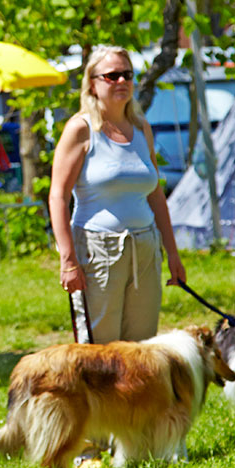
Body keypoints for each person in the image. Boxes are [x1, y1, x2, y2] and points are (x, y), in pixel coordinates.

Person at [50, 45, 186, 346]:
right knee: (99, 351)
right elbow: (58, 196)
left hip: (145, 248)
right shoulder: (80, 129)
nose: (122, 82)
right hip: (98, 250)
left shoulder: (141, 127)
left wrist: (172, 253)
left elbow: (155, 194)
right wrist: (68, 259)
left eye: (127, 75)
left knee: (141, 351)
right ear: (92, 84)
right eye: (112, 76)